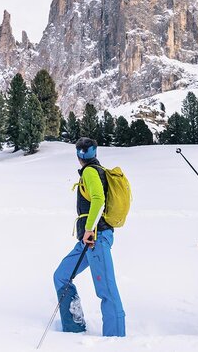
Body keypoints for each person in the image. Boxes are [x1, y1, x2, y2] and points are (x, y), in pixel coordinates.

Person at [52, 137, 125, 337]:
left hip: (96, 238)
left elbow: (99, 200)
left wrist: (90, 229)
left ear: (78, 155)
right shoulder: (93, 171)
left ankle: (116, 340)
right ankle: (74, 326)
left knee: (107, 290)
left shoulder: (91, 172)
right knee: (61, 275)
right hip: (88, 239)